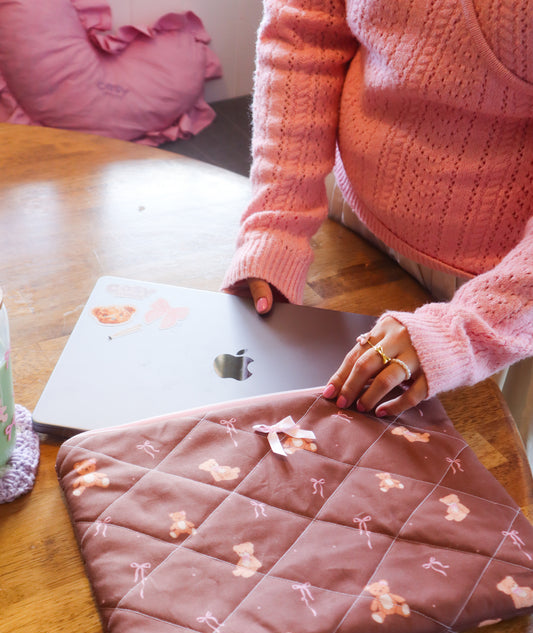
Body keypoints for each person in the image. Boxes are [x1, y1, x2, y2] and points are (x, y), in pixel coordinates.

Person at [220, 0, 533, 459]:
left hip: (498, 293)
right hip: (349, 217)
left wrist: (469, 331)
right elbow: (305, 26)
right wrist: (277, 219)